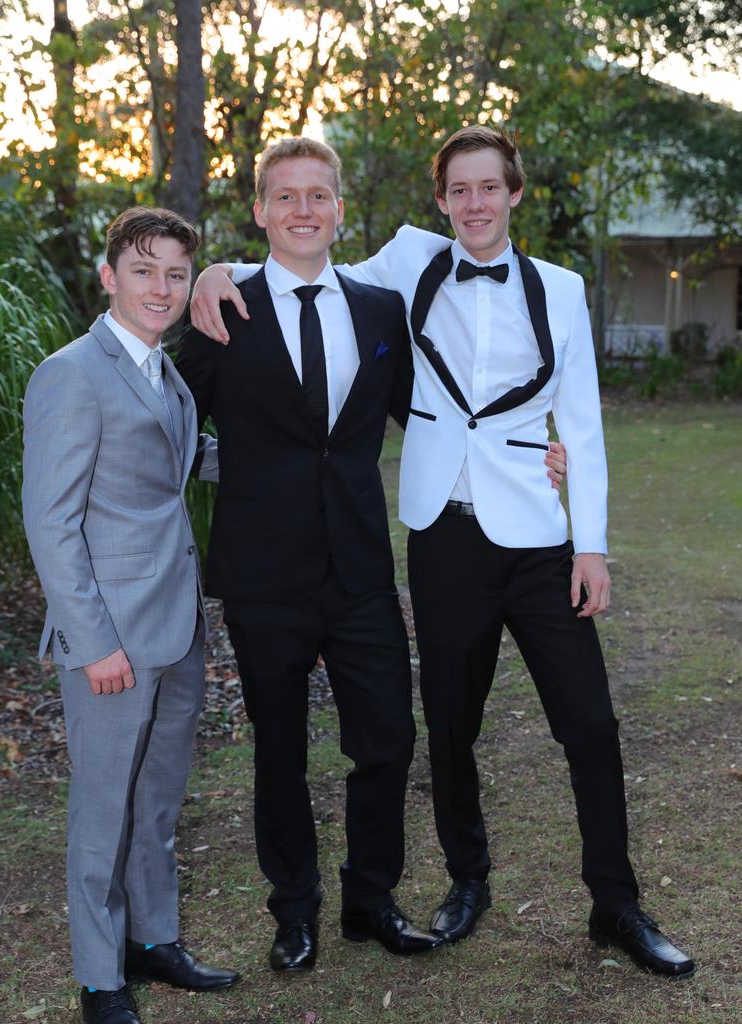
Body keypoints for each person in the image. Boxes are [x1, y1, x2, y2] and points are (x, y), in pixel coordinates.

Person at [189, 125, 694, 978]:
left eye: (488, 188)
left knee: (591, 724)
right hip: (437, 535)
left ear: (514, 193)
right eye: (458, 190)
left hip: (536, 532)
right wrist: (215, 271)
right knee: (450, 729)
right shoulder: (408, 264)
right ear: (440, 201)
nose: (473, 204)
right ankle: (464, 883)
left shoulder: (562, 288)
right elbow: (299, 274)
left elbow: (584, 421)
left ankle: (616, 903)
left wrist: (592, 543)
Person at [176, 138, 449, 973]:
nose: (303, 211)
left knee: (389, 740)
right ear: (260, 211)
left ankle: (371, 898)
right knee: (279, 751)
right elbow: (170, 419)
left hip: (360, 570)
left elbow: (429, 418)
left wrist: (527, 453)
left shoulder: (377, 309)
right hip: (263, 578)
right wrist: (206, 274)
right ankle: (293, 913)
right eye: (285, 197)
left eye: (318, 197)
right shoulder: (220, 308)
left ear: (338, 210)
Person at [22, 207, 239, 1024]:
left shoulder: (166, 371)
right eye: (144, 270)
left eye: (177, 274)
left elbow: (183, 462)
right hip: (110, 637)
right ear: (110, 276)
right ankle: (99, 977)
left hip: (177, 625)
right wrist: (92, 641)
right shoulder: (72, 373)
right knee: (103, 807)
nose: (162, 286)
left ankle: (153, 940)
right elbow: (51, 520)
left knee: (156, 797)